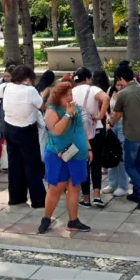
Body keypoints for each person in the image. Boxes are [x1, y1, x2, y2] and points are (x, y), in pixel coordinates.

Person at [38, 81, 92, 234]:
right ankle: (46, 218)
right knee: (56, 187)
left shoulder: (76, 109)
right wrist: (68, 115)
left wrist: (88, 147)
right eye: (67, 95)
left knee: (75, 187)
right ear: (58, 97)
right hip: (58, 155)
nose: (70, 97)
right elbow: (57, 131)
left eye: (71, 94)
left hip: (78, 153)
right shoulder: (51, 111)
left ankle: (73, 220)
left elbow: (81, 129)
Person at [0, 65, 46, 208]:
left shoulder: (6, 87)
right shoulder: (30, 90)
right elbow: (41, 105)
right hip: (27, 130)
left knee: (14, 164)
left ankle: (16, 197)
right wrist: (45, 93)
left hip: (10, 129)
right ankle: (38, 200)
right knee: (32, 165)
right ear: (27, 78)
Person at [111, 65, 140, 210]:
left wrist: (111, 123)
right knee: (138, 162)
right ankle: (136, 193)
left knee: (129, 165)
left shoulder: (123, 94)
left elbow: (117, 115)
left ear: (120, 79)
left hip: (132, 135)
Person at [72, 67, 110, 208]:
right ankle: (97, 196)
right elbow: (105, 98)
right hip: (97, 129)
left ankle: (86, 198)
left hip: (79, 133)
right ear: (88, 78)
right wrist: (100, 115)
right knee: (96, 164)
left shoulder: (72, 91)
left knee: (84, 164)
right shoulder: (93, 89)